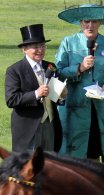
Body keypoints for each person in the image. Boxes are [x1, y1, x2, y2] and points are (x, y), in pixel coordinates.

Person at [55, 3, 104, 162]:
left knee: (95, 155)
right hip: (74, 109)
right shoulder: (68, 42)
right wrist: (79, 67)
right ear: (80, 22)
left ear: (100, 22)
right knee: (72, 157)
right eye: (86, 21)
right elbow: (58, 73)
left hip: (100, 110)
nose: (90, 25)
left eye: (94, 21)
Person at [5, 24, 65, 152]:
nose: (40, 50)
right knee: (28, 167)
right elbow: (11, 99)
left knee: (48, 165)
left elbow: (56, 97)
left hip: (50, 124)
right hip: (28, 128)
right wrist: (36, 94)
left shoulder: (51, 66)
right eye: (36, 47)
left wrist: (62, 95)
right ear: (24, 49)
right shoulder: (14, 70)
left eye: (43, 46)